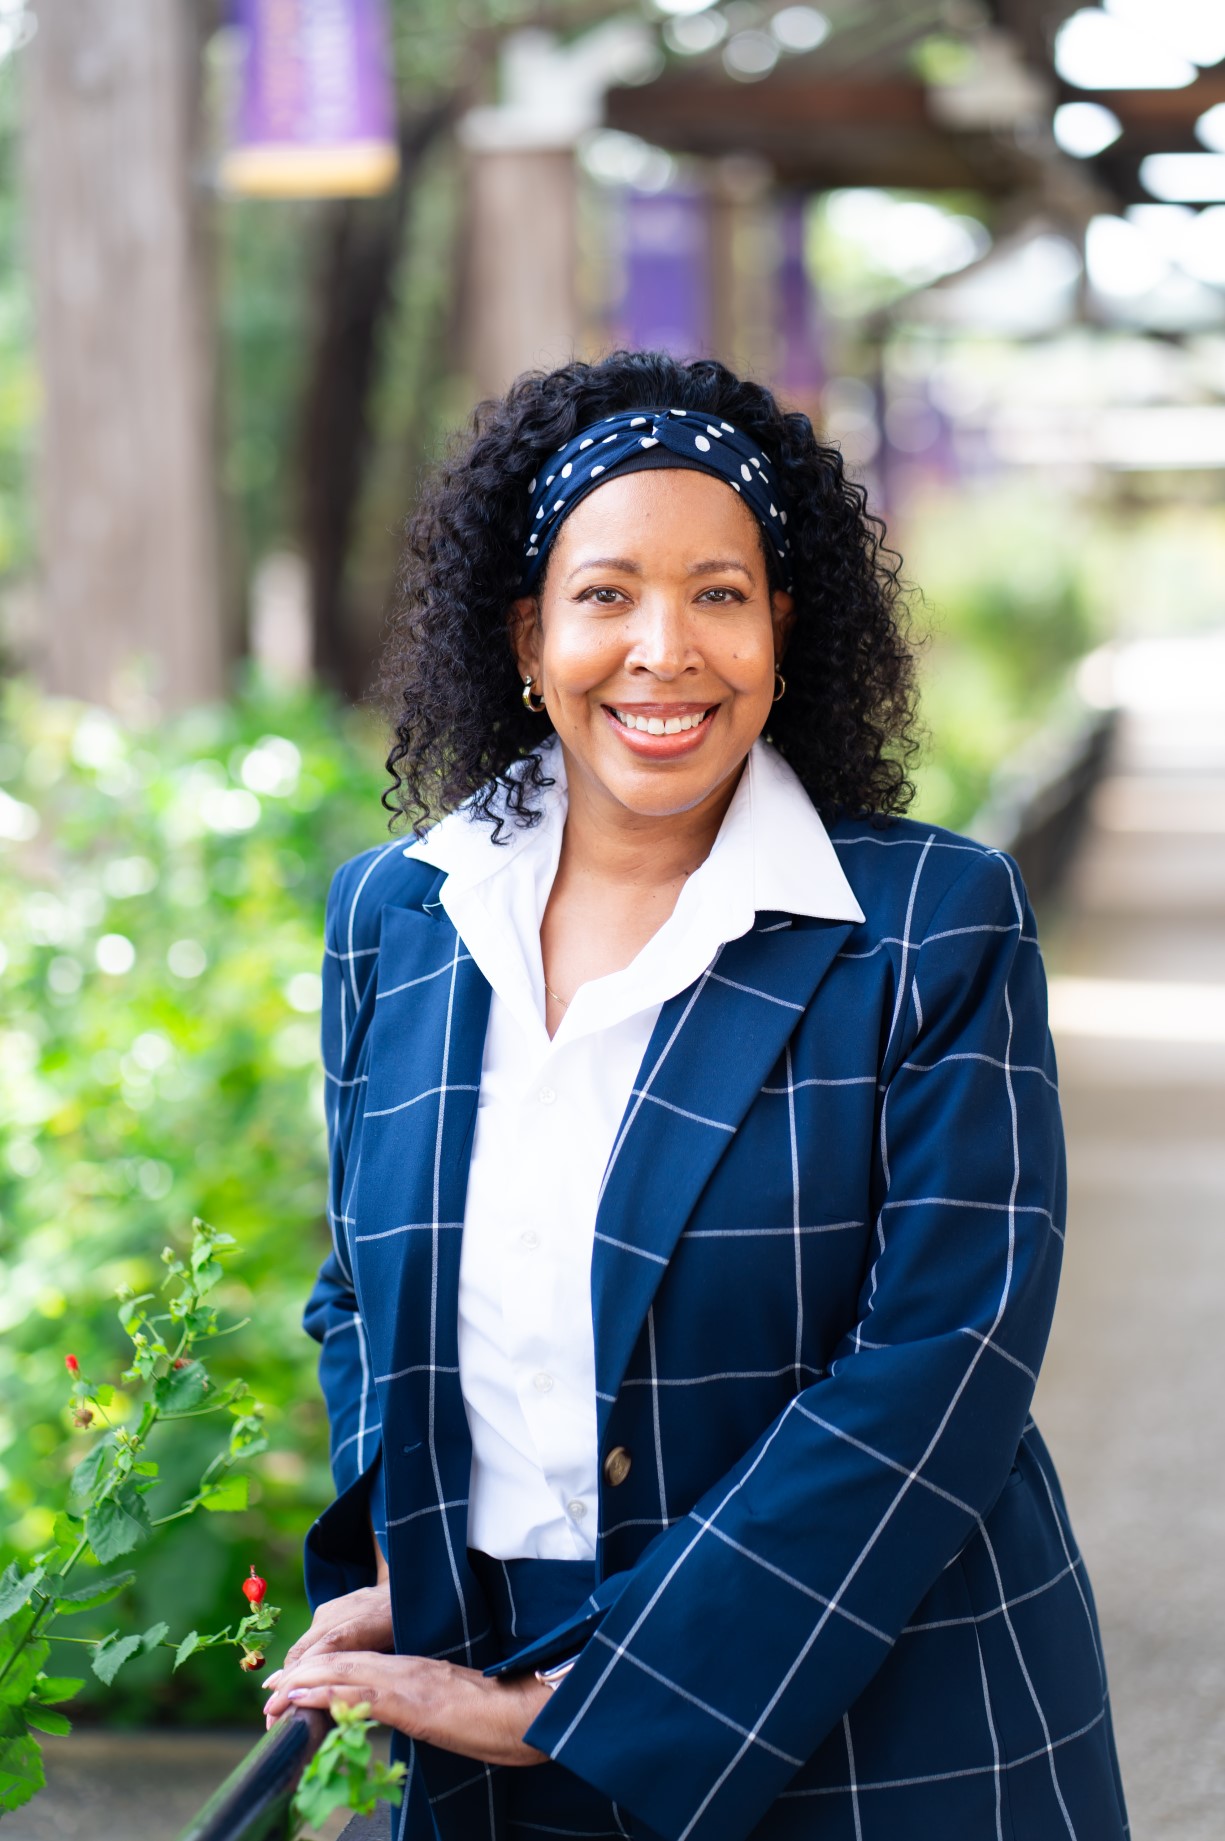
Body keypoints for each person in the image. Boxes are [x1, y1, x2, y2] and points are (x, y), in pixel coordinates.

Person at [261, 351, 1129, 1841]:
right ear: (528, 634)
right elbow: (358, 1289)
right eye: (605, 595)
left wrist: (599, 1700)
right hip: (483, 1687)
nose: (663, 650)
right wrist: (414, 1544)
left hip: (881, 1722)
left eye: (717, 593)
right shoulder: (398, 916)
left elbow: (941, 1363)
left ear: (781, 628)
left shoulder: (930, 925)